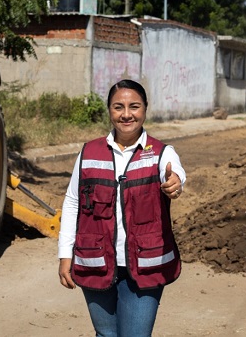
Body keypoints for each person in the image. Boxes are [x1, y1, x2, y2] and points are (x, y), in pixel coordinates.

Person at [58, 79, 186, 337]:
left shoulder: (162, 153)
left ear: (145, 109)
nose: (126, 114)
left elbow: (174, 174)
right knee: (105, 335)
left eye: (134, 106)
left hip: (145, 266)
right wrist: (64, 254)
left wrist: (175, 183)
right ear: (109, 110)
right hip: (95, 261)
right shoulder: (88, 152)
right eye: (118, 107)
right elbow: (72, 202)